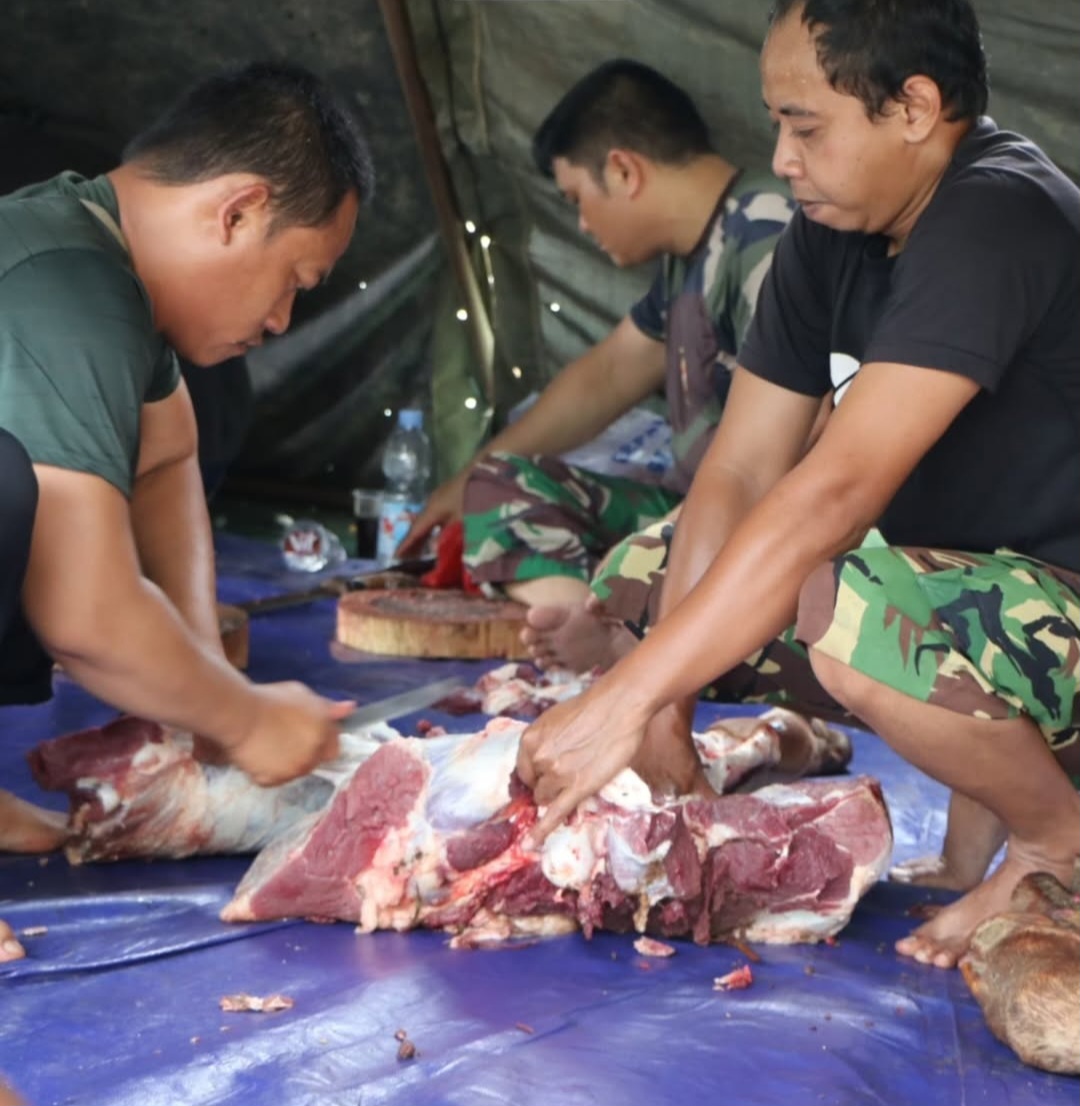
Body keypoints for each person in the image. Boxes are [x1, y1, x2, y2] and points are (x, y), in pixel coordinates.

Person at [515, 0, 1080, 972]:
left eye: (804, 125)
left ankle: (1057, 838)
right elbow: (738, 469)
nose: (780, 158)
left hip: (1058, 600)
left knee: (844, 599)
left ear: (914, 107)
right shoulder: (836, 230)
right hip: (969, 589)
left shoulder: (998, 213)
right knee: (654, 564)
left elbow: (835, 492)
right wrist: (662, 713)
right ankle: (974, 837)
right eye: (778, 123)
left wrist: (625, 694)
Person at [0, 61, 375, 962]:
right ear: (237, 211)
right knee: (17, 497)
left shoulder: (100, 260)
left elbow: (168, 460)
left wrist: (206, 683)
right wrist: (248, 720)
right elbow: (85, 613)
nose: (284, 319)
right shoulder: (67, 284)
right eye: (293, 279)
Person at [398, 60, 796, 670]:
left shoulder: (765, 231)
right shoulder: (689, 256)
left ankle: (608, 650)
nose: (582, 224)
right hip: (695, 521)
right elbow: (605, 376)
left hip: (758, 532)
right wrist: (467, 481)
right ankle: (586, 639)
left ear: (623, 170)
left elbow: (789, 460)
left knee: (635, 565)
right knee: (501, 485)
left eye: (576, 199)